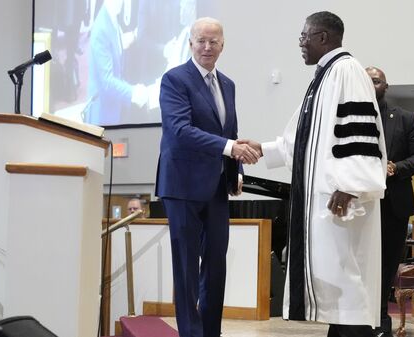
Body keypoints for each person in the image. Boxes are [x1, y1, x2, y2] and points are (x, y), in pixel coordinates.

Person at [241, 11, 386, 337]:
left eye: (304, 36)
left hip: (343, 201)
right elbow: (304, 138)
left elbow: (360, 135)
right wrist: (264, 149)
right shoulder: (325, 76)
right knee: (338, 285)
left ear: (323, 38)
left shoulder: (347, 72)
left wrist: (350, 186)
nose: (300, 43)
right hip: (330, 199)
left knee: (347, 281)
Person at [155, 17, 260, 337]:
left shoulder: (228, 84)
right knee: (186, 267)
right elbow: (180, 131)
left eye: (213, 41)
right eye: (201, 40)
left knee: (216, 264)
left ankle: (210, 331)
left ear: (222, 45)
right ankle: (191, 332)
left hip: (216, 186)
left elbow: (231, 132)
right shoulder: (174, 79)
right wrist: (231, 149)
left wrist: (236, 170)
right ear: (190, 43)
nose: (206, 47)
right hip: (182, 185)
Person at [366, 66, 414, 337]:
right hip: (362, 206)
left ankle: (381, 322)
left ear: (386, 87)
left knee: (387, 265)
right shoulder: (347, 117)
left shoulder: (404, 118)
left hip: (394, 205)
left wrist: (396, 168)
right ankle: (359, 322)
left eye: (376, 81)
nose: (371, 85)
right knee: (363, 266)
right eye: (366, 81)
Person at [85, 0, 147, 126]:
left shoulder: (112, 18)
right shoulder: (102, 28)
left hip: (111, 108)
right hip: (102, 113)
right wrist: (133, 92)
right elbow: (107, 81)